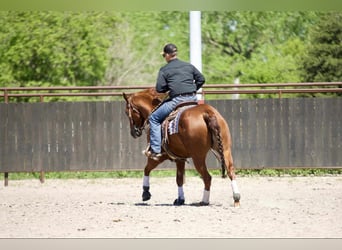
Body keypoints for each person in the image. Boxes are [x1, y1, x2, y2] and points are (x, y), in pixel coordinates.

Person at [145, 43, 206, 160]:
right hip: (193, 99)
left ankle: (156, 150)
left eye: (164, 56)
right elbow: (201, 79)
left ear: (167, 55)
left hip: (177, 101)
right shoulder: (188, 66)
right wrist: (192, 89)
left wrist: (171, 88)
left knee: (154, 118)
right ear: (175, 54)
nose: (164, 58)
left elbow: (160, 89)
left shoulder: (164, 69)